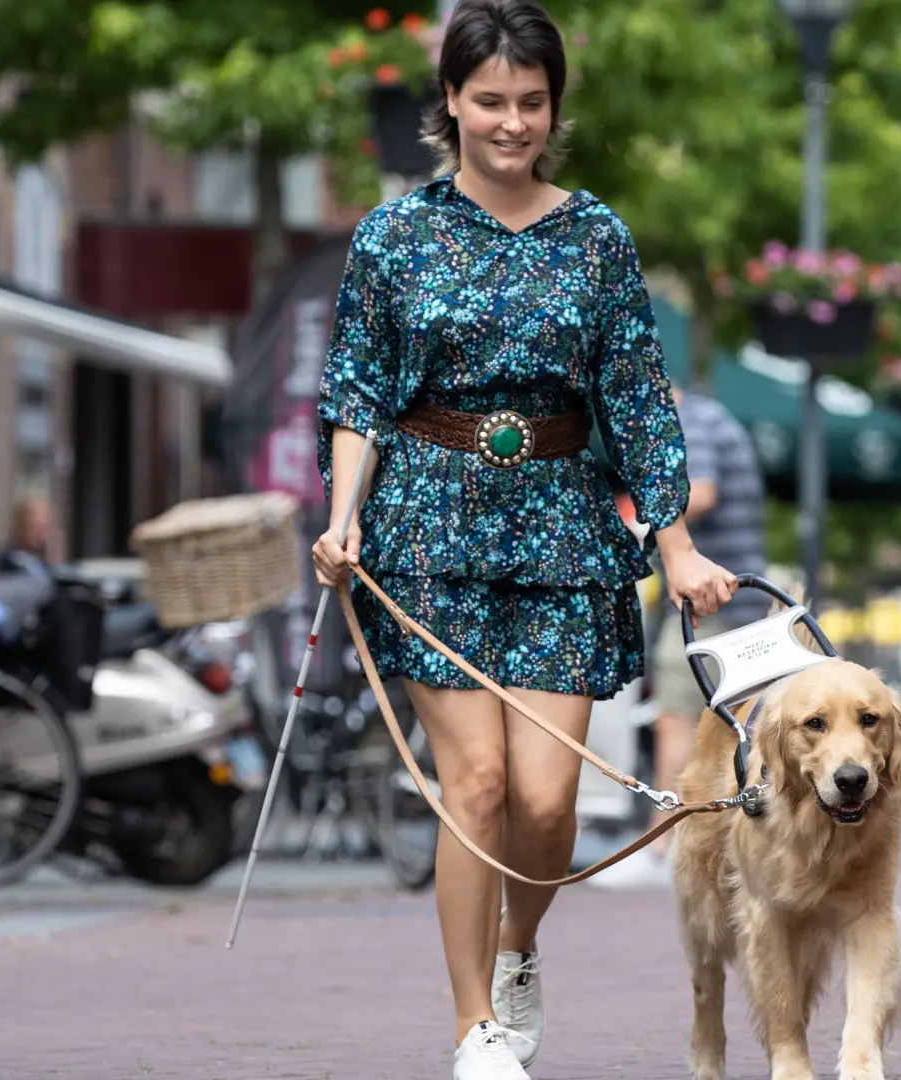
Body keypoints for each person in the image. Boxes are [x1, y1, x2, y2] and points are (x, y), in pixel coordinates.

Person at [310, 3, 737, 1077]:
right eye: (490, 101)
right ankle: (472, 1029)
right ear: (449, 102)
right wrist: (343, 512)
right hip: (425, 528)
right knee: (482, 787)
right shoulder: (394, 236)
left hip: (562, 531)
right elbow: (356, 391)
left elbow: (637, 400)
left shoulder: (597, 237)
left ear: (554, 108)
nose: (511, 123)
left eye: (530, 103)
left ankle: (518, 950)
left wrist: (676, 547)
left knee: (549, 801)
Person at [643, 384, 767, 864]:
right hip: (736, 605)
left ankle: (661, 845)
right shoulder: (713, 415)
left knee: (676, 722)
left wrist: (636, 519)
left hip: (710, 605)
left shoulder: (687, 421)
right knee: (732, 729)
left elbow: (700, 491)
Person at [0, 495, 55, 578]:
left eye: (45, 527)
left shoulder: (40, 561)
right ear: (20, 526)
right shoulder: (11, 562)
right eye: (35, 527)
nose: (41, 533)